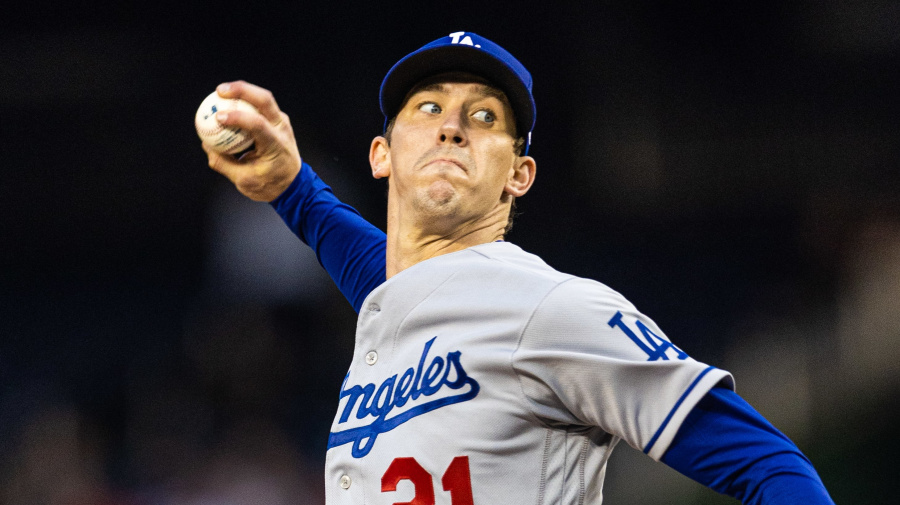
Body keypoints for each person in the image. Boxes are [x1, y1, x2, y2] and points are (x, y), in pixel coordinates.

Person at [201, 31, 834, 504]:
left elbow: (770, 467)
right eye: (427, 108)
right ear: (381, 155)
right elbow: (387, 274)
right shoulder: (401, 303)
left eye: (484, 118)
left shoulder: (550, 307)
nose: (452, 126)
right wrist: (292, 187)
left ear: (518, 175)